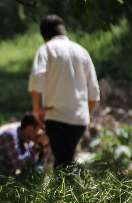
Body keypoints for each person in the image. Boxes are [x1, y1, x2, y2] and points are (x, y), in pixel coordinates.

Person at [28, 14, 100, 169]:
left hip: (57, 118)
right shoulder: (82, 51)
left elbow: (37, 79)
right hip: (79, 121)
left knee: (63, 165)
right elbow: (94, 93)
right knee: (65, 160)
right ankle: (74, 190)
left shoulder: (46, 49)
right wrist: (84, 115)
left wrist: (37, 110)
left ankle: (73, 192)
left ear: (44, 36)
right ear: (63, 31)